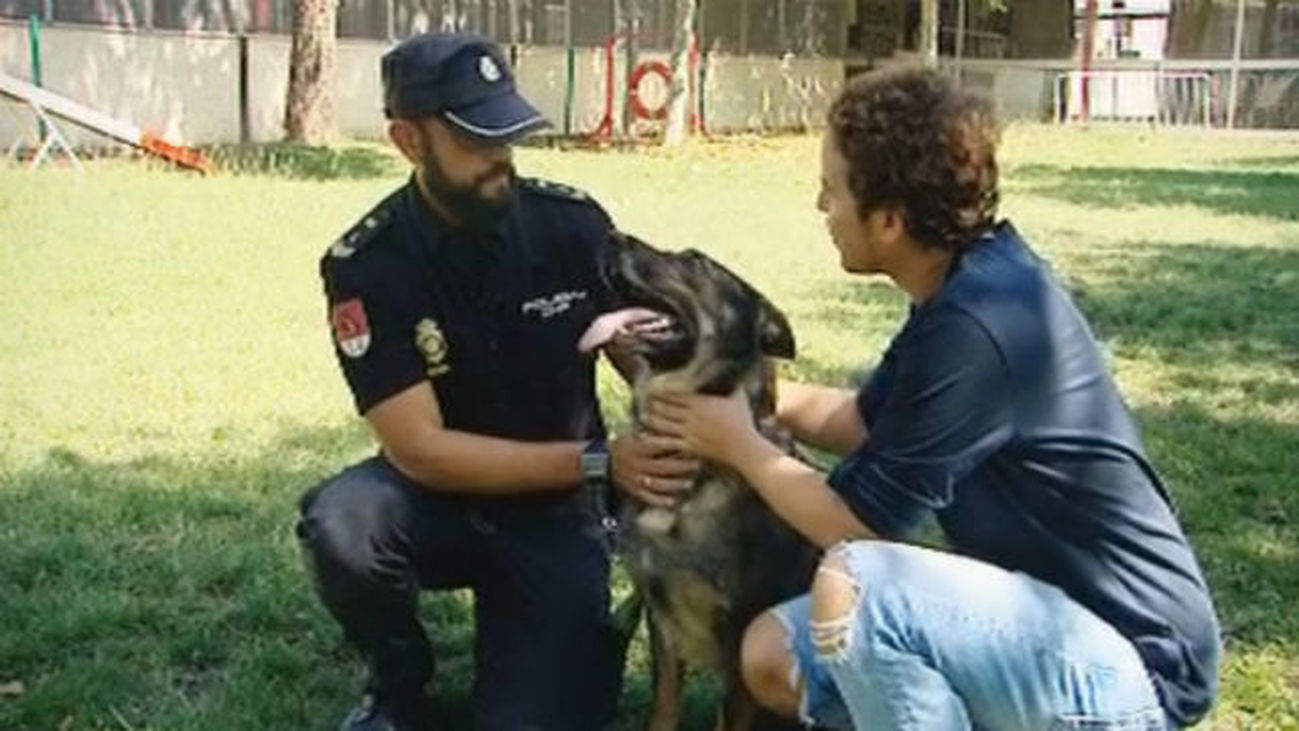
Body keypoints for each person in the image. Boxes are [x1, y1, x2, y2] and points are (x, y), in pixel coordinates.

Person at [644, 68, 1221, 731]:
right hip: (1048, 628)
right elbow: (863, 420)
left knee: (855, 586)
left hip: (1133, 669)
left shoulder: (978, 323)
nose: (819, 207)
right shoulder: (966, 286)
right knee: (771, 653)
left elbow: (857, 527)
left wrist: (739, 444)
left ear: (888, 219)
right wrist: (742, 392)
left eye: (830, 190)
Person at [296, 32, 694, 731]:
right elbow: (418, 448)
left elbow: (638, 355)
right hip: (438, 498)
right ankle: (398, 686)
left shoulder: (570, 225)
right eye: (478, 139)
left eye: (508, 131)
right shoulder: (368, 265)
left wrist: (686, 390)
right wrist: (603, 462)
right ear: (408, 141)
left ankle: (562, 644)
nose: (501, 155)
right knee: (344, 522)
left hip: (556, 512)